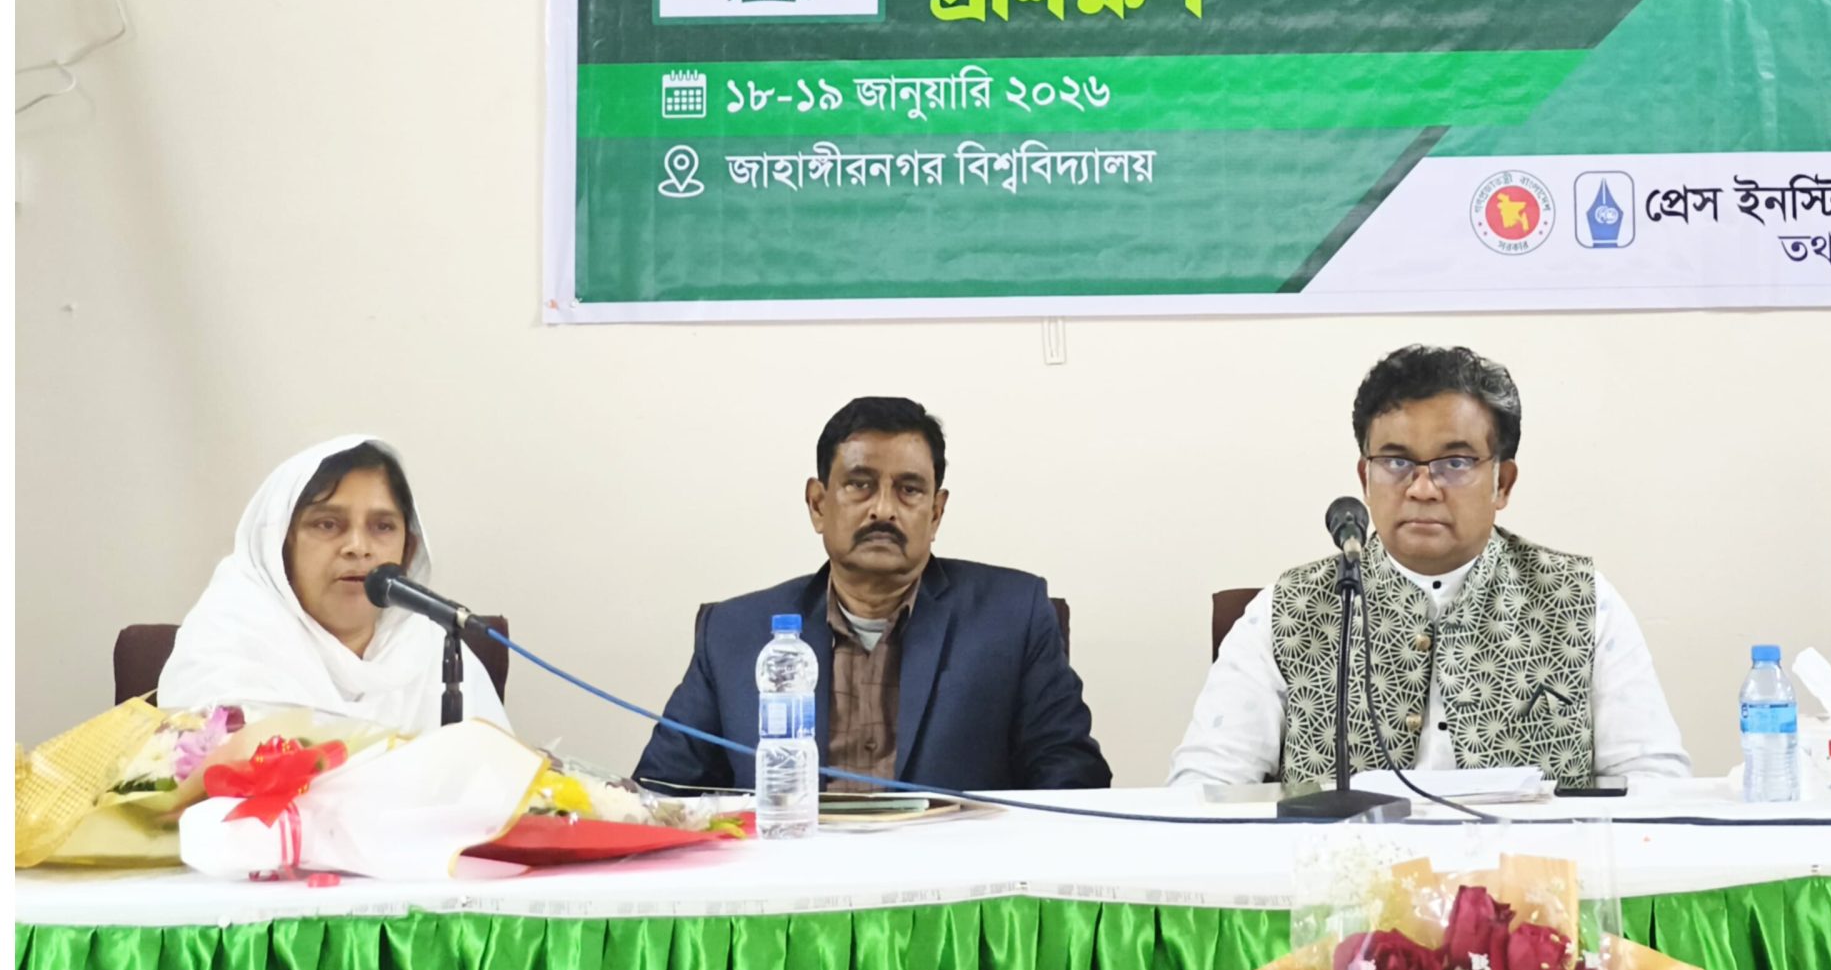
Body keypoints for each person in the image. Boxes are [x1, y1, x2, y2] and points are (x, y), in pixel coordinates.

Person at [1168, 345, 1688, 788]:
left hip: (1530, 874)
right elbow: (1204, 787)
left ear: (1502, 483)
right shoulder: (1287, 609)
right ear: (1365, 478)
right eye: (1396, 462)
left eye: (1455, 463)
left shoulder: (1581, 601)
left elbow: (1653, 783)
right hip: (1342, 874)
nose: (1421, 488)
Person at [637, 396, 1109, 793]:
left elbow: (1072, 780)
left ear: (936, 513)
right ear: (818, 504)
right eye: (860, 485)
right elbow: (662, 791)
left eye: (909, 490)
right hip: (792, 870)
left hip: (951, 874)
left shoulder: (1012, 616)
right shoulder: (735, 633)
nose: (883, 510)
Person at [160, 436, 509, 732]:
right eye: (327, 524)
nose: (357, 547)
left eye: (382, 527)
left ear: (408, 550)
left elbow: (500, 778)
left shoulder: (434, 650)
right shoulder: (227, 643)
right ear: (281, 547)